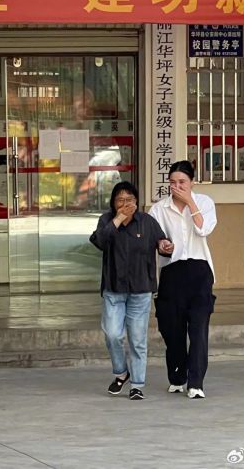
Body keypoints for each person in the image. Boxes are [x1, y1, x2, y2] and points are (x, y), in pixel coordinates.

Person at [90, 181, 172, 401]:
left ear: (137, 201)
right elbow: (99, 241)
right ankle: (121, 372)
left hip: (140, 288)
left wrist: (165, 246)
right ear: (113, 203)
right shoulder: (107, 220)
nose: (125, 203)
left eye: (130, 199)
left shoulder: (147, 222)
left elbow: (162, 242)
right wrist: (117, 219)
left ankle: (137, 384)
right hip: (114, 288)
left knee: (137, 340)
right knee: (112, 334)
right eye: (120, 200)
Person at [149, 160, 217, 400]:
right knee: (172, 328)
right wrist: (162, 245)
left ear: (192, 182)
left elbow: (204, 230)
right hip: (172, 271)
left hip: (199, 270)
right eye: (173, 182)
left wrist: (190, 202)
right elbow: (156, 240)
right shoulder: (159, 209)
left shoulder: (205, 203)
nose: (177, 186)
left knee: (198, 328)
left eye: (182, 182)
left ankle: (196, 383)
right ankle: (177, 377)